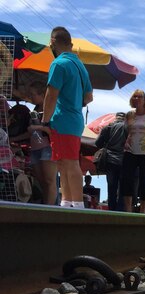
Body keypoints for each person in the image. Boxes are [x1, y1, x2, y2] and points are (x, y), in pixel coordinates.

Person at [39, 26, 93, 208]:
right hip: (75, 120)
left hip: (63, 120)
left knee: (69, 164)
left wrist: (45, 120)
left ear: (53, 42)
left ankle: (78, 206)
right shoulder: (80, 66)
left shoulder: (59, 64)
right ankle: (67, 202)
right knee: (63, 163)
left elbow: (51, 95)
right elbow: (89, 97)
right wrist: (74, 102)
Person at [121, 89, 145, 213]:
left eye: (140, 97)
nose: (137, 99)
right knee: (126, 180)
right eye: (135, 97)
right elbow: (126, 131)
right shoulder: (129, 115)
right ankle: (128, 209)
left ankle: (142, 211)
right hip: (130, 151)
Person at [26, 81, 58, 205]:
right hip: (35, 147)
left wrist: (37, 128)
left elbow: (53, 131)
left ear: (41, 94)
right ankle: (46, 205)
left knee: (49, 181)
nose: (31, 97)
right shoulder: (35, 109)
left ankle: (49, 209)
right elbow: (31, 130)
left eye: (33, 94)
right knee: (41, 181)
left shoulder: (50, 109)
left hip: (47, 147)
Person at [95, 112, 127, 211]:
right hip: (125, 161)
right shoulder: (129, 129)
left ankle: (112, 210)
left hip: (110, 160)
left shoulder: (107, 128)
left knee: (111, 187)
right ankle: (121, 210)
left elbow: (98, 144)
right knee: (123, 189)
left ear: (115, 118)